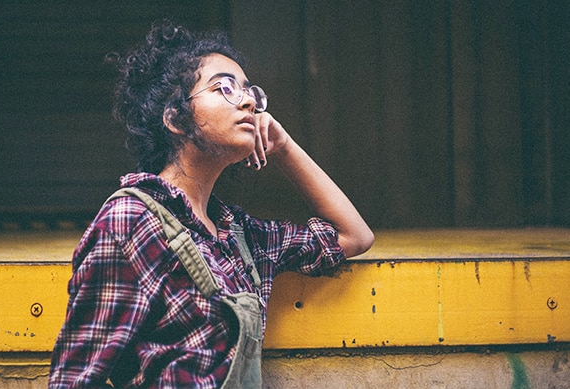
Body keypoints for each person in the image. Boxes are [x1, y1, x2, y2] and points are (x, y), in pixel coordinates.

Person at [48, 19, 373, 389]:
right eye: (225, 88)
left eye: (250, 91)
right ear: (175, 119)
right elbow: (73, 380)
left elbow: (354, 235)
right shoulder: (132, 222)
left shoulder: (239, 236)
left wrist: (283, 147)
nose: (249, 101)